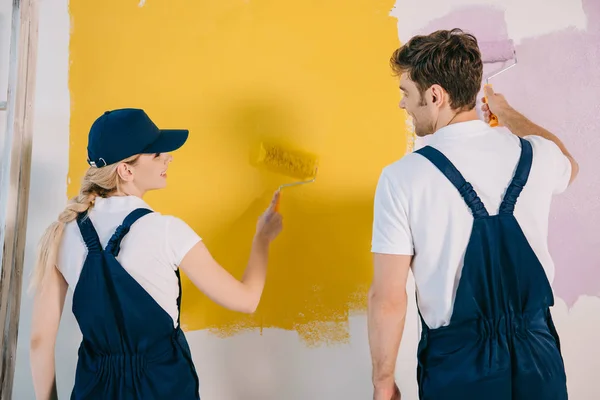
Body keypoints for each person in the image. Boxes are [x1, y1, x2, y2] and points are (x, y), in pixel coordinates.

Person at [367, 29, 578, 400]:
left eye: (406, 92)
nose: (402, 104)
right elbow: (569, 165)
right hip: (539, 357)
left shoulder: (402, 177)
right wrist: (506, 112)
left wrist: (383, 382)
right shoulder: (537, 156)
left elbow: (388, 298)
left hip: (460, 366)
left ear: (435, 95)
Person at [28, 108, 283, 399]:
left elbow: (39, 342)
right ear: (126, 170)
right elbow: (246, 300)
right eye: (155, 154)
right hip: (162, 386)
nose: (168, 157)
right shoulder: (167, 231)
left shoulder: (61, 233)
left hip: (93, 389)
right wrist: (262, 239)